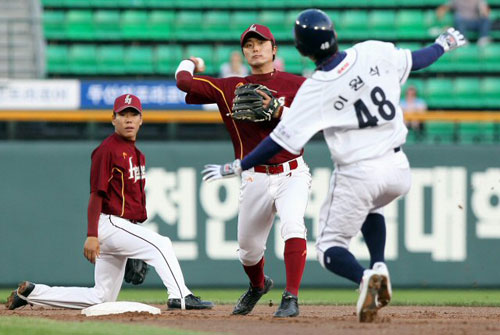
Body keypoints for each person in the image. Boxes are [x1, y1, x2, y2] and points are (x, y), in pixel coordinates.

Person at [202, 9, 466, 322]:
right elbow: (419, 59)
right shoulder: (372, 51)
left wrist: (238, 165)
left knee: (329, 249)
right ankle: (379, 265)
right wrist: (444, 43)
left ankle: (367, 278)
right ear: (334, 35)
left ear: (300, 50)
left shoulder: (316, 88)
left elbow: (281, 142)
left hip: (359, 172)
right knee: (374, 206)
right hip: (397, 166)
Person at [5, 94, 213, 311]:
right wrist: (91, 234)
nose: (129, 120)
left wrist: (131, 242)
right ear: (113, 118)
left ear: (141, 120)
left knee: (101, 297)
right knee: (161, 245)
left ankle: (33, 293)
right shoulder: (107, 150)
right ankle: (180, 296)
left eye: (134, 115)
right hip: (109, 224)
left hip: (123, 227)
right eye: (124, 114)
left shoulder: (137, 154)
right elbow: (96, 195)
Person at [175, 24, 310, 318]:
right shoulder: (229, 87)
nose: (255, 48)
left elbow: (312, 126)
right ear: (243, 53)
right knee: (248, 250)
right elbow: (184, 82)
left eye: (261, 43)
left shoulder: (298, 84)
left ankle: (291, 297)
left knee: (293, 226)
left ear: (274, 49)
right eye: (248, 45)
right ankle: (258, 285)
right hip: (254, 176)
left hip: (292, 172)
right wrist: (192, 62)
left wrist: (279, 111)